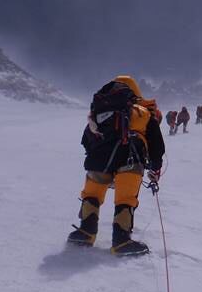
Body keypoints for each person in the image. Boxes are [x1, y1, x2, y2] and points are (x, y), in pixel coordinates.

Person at [67, 75, 165, 256]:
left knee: (92, 195)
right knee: (125, 199)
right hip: (130, 161)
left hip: (98, 161)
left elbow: (85, 140)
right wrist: (155, 166)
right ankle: (121, 241)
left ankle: (85, 233)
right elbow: (156, 144)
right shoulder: (142, 112)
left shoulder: (99, 112)